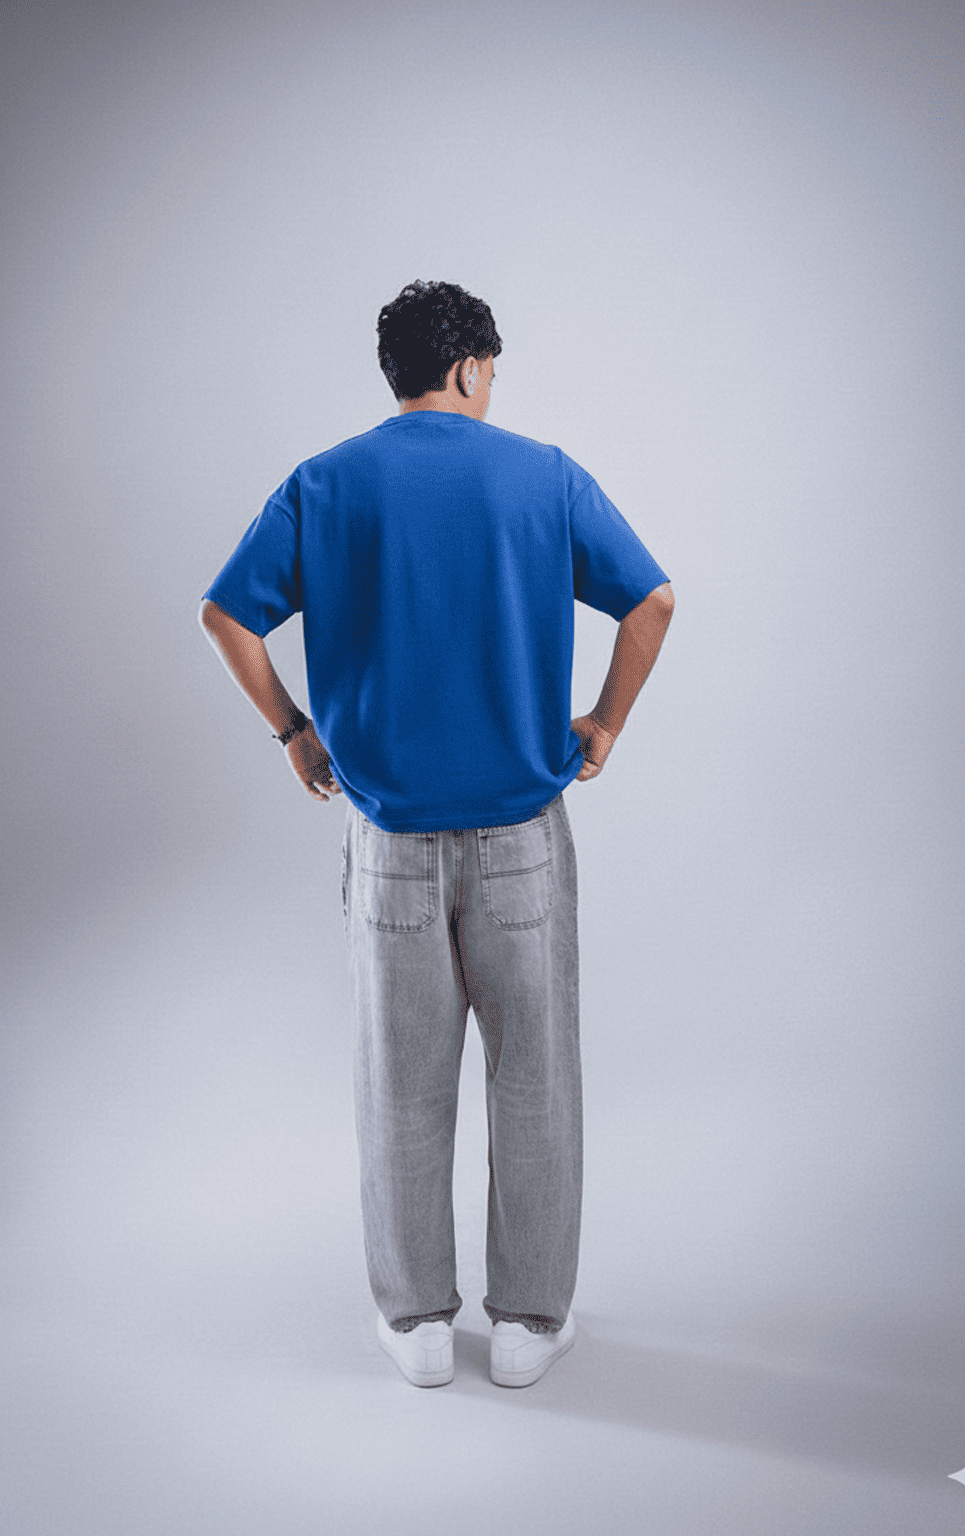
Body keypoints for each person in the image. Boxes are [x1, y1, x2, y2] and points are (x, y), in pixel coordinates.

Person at [198, 280, 674, 1389]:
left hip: (391, 844)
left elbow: (225, 612)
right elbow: (650, 601)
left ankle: (415, 1326)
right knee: (534, 1081)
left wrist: (293, 734)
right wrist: (602, 720)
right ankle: (526, 1324)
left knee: (400, 1085)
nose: (493, 390)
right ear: (467, 367)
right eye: (492, 372)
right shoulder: (544, 475)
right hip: (520, 838)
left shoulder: (325, 483)